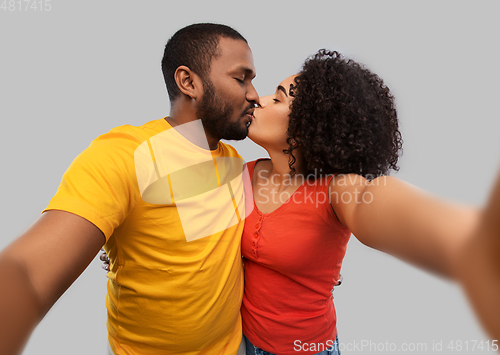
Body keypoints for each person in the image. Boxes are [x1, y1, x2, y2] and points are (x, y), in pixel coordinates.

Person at [0, 23, 260, 355]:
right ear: (189, 82)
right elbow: (26, 275)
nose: (254, 94)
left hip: (232, 347)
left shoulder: (233, 161)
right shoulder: (125, 154)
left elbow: (218, 246)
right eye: (241, 79)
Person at [238, 50, 499, 354]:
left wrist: (466, 237)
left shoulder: (336, 189)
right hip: (243, 342)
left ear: (308, 125)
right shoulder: (246, 173)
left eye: (279, 98)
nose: (260, 99)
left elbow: (370, 199)